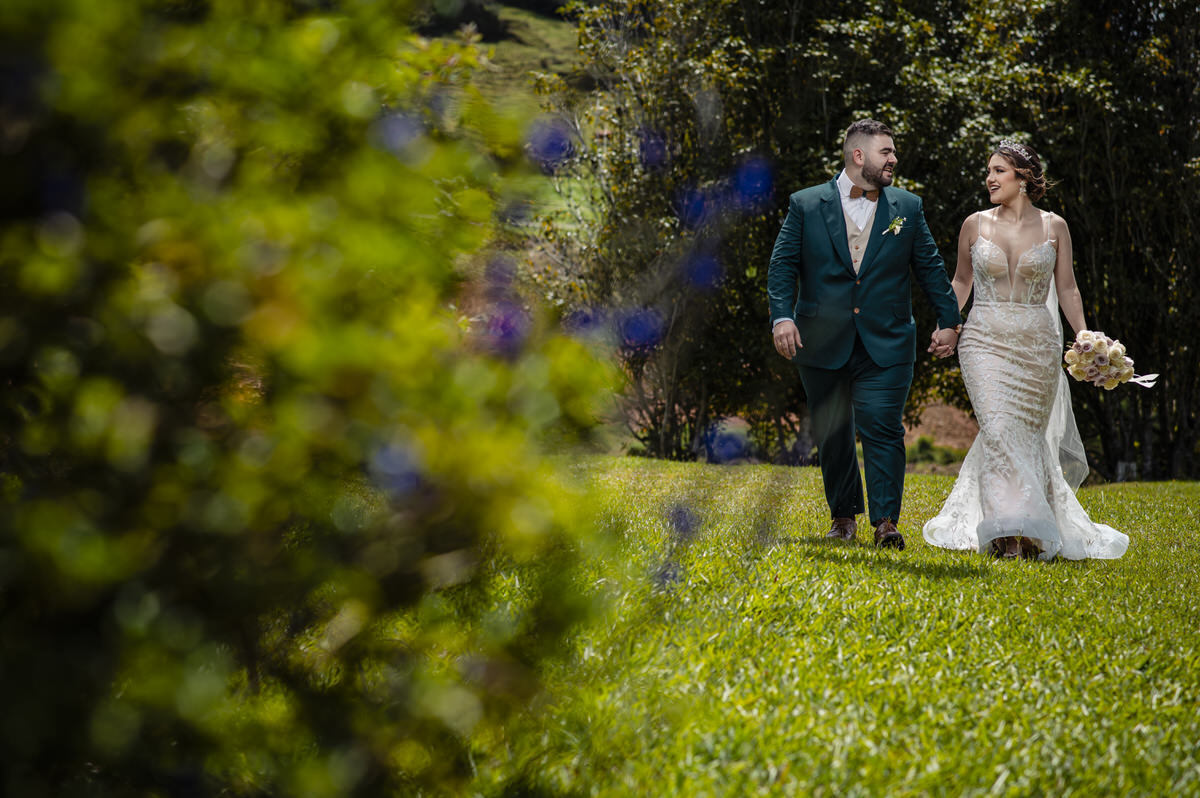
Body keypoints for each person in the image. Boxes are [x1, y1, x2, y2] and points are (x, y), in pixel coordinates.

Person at [922, 140, 1129, 560]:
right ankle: (1008, 535)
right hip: (983, 340)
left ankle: (1032, 527)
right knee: (999, 430)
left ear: (1024, 178)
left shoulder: (1055, 227)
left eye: (999, 171)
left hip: (1037, 345)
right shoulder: (974, 224)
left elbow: (1067, 288)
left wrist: (1087, 338)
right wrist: (947, 323)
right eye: (989, 170)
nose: (990, 178)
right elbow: (961, 283)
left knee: (1025, 436)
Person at [767, 119, 962, 549]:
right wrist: (782, 317)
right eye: (886, 152)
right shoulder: (805, 204)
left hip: (887, 339)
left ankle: (886, 521)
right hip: (819, 340)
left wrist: (948, 320)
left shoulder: (907, 208)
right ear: (859, 156)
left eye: (892, 152)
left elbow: (929, 267)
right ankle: (842, 516)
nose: (894, 159)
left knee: (883, 426)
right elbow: (782, 266)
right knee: (833, 432)